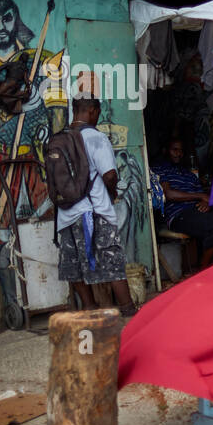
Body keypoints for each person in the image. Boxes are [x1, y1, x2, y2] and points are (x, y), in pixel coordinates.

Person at [56, 95, 136, 315]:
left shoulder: (60, 138)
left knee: (74, 265)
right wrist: (111, 195)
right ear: (91, 110)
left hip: (65, 214)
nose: (98, 116)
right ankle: (128, 311)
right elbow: (109, 174)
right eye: (98, 112)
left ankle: (90, 309)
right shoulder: (95, 137)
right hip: (94, 211)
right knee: (112, 261)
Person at [151, 137, 213, 271]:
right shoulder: (160, 168)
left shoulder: (189, 174)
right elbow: (168, 194)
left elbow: (205, 197)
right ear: (165, 151)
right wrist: (199, 196)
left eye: (181, 151)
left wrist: (206, 203)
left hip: (196, 210)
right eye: (174, 150)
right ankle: (203, 269)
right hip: (179, 215)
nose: (178, 153)